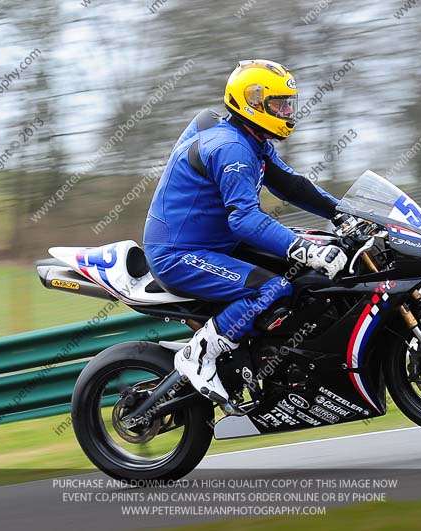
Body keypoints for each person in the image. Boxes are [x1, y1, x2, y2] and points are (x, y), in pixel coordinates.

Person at [143, 59, 347, 406]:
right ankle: (200, 357)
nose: (286, 111)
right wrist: (303, 247)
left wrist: (343, 213)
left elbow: (294, 188)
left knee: (301, 276)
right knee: (272, 288)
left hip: (216, 246)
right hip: (178, 255)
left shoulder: (252, 142)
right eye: (278, 104)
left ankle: (258, 361)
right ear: (252, 102)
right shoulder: (233, 148)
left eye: (288, 103)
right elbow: (245, 220)